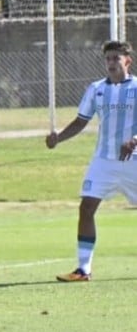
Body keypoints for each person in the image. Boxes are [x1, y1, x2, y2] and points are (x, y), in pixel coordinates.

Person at [46, 40, 137, 282]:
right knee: (86, 208)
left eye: (116, 58)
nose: (111, 63)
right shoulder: (96, 88)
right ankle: (83, 269)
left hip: (134, 161)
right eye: (108, 59)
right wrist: (59, 138)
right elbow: (80, 121)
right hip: (103, 162)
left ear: (127, 61)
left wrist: (134, 140)